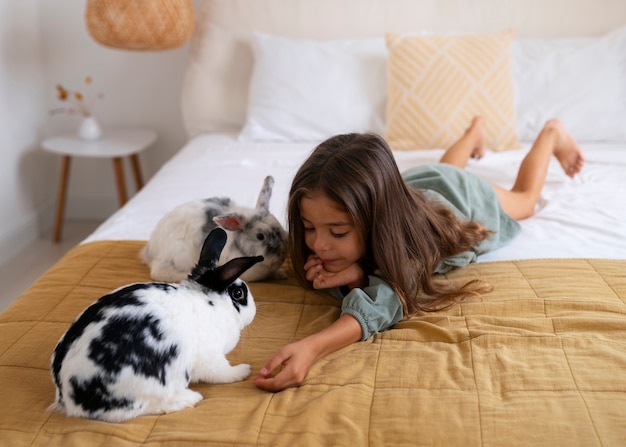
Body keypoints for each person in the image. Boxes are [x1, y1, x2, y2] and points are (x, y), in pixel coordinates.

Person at [254, 117, 584, 392]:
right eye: (309, 227)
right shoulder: (375, 203)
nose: (319, 245)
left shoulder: (411, 249)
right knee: (442, 167)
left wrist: (311, 347)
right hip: (417, 185)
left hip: (461, 194)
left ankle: (551, 133)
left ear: (377, 220)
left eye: (337, 233)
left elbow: (382, 303)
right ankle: (474, 133)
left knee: (524, 199)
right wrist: (356, 274)